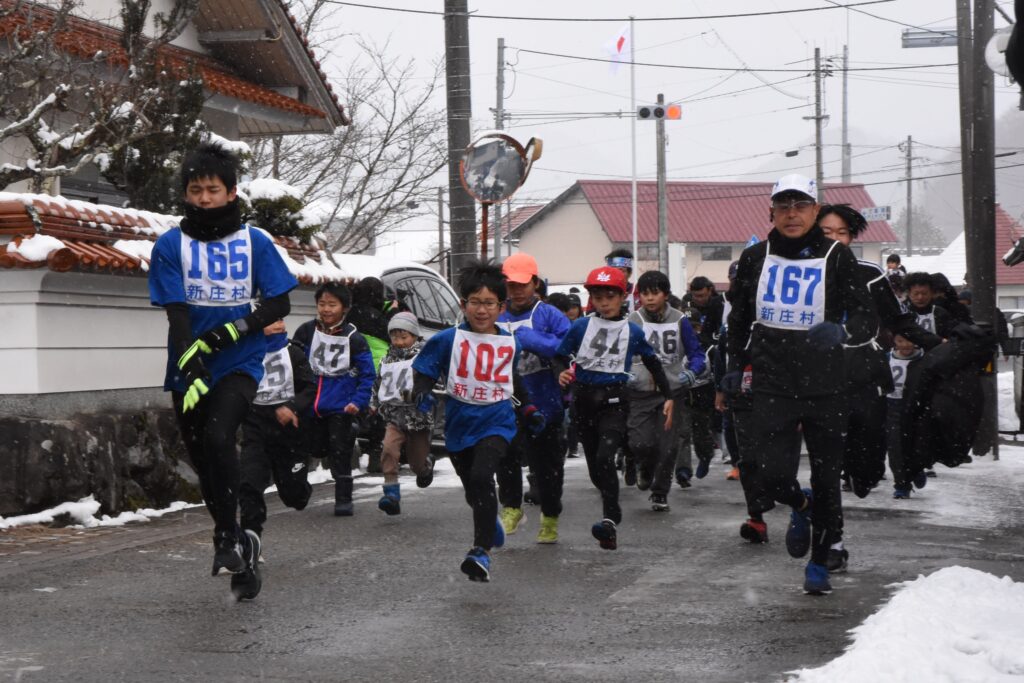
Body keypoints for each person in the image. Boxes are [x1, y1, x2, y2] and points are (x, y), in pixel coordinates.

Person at [148, 142, 297, 600]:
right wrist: (189, 360)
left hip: (239, 361)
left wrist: (232, 331)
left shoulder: (254, 242)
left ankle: (227, 539)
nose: (205, 199)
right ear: (186, 195)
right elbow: (176, 312)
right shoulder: (171, 244)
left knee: (219, 437)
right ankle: (236, 543)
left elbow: (279, 301)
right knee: (204, 460)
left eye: (213, 190)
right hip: (189, 365)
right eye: (196, 191)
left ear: (232, 193)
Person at [725, 174, 877, 596]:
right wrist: (735, 366)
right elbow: (738, 321)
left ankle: (819, 564)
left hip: (827, 384)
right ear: (771, 211)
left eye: (801, 205)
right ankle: (801, 504)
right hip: (773, 383)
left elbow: (867, 317)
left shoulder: (837, 257)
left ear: (815, 210)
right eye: (784, 205)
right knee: (769, 476)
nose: (792, 213)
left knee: (829, 478)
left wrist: (841, 331)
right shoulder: (756, 257)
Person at [817, 204, 940, 572]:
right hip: (820, 383)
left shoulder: (869, 274)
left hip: (866, 378)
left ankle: (863, 473)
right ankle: (832, 544)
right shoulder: (805, 275)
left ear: (852, 238)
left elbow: (899, 318)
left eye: (840, 233)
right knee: (824, 468)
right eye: (825, 233)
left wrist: (939, 344)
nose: (833, 240)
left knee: (868, 468)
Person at [411, 261, 523, 582]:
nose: (482, 310)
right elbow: (424, 369)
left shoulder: (510, 341)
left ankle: (480, 552)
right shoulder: (449, 339)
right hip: (460, 425)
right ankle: (490, 523)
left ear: (501, 307)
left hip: (497, 421)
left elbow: (518, 381)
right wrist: (421, 393)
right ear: (463, 304)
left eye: (489, 303)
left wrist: (529, 410)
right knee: (474, 488)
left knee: (482, 475)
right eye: (475, 302)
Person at [555, 266, 673, 550]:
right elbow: (559, 356)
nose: (604, 302)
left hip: (615, 402)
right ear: (591, 299)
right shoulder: (580, 327)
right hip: (584, 401)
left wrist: (668, 395)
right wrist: (561, 372)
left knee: (606, 457)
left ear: (623, 297)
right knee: (596, 468)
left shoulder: (632, 331)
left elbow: (652, 361)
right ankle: (611, 504)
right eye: (598, 296)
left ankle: (610, 520)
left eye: (610, 296)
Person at [496, 253, 571, 543]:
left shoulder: (548, 314)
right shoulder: (498, 314)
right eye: (511, 284)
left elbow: (568, 345)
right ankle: (512, 507)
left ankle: (550, 516)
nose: (516, 291)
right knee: (505, 456)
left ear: (535, 283)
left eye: (522, 284)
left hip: (545, 403)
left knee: (546, 468)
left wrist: (532, 339)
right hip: (506, 402)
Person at [293, 283, 377, 516]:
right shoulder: (306, 331)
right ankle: (298, 490)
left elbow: (367, 373)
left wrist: (358, 401)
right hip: (309, 403)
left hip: (341, 405)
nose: (326, 309)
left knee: (339, 451)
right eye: (322, 304)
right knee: (305, 447)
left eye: (332, 304)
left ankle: (343, 498)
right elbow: (292, 361)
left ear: (345, 308)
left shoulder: (354, 338)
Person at [627, 270, 705, 511]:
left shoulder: (680, 320)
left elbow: (696, 354)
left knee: (668, 445)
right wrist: (625, 372)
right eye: (644, 294)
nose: (649, 299)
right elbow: (622, 353)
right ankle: (645, 467)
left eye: (655, 293)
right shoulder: (633, 320)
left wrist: (692, 372)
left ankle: (660, 492)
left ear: (666, 294)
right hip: (640, 390)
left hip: (671, 391)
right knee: (641, 442)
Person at [239, 321, 316, 548]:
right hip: (256, 426)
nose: (279, 325)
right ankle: (251, 539)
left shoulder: (293, 352)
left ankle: (300, 487)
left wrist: (292, 407)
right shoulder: (245, 353)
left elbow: (309, 387)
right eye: (271, 320)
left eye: (281, 320)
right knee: (249, 483)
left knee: (295, 497)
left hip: (289, 430)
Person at [370, 311, 435, 515]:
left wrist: (425, 395)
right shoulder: (387, 359)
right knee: (388, 450)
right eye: (394, 337)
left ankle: (425, 466)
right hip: (394, 415)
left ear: (415, 336)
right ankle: (391, 494)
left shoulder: (423, 358)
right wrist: (373, 402)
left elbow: (435, 381)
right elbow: (379, 383)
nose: (398, 342)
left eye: (404, 337)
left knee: (416, 462)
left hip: (418, 418)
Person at [347, 277, 391, 474]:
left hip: (353, 367)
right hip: (377, 367)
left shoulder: (349, 314)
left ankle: (351, 451)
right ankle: (376, 454)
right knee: (377, 413)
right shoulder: (379, 317)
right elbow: (393, 335)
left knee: (354, 409)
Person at [673, 305, 718, 486]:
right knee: (682, 432)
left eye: (694, 327)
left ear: (700, 326)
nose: (691, 331)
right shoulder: (676, 346)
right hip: (682, 394)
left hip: (703, 395)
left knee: (701, 434)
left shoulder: (709, 348)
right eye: (687, 327)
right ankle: (683, 471)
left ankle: (705, 456)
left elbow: (718, 371)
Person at [885, 333, 928, 499]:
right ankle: (902, 484)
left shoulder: (924, 359)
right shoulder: (886, 358)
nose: (905, 345)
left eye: (909, 340)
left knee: (916, 445)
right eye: (900, 341)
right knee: (895, 448)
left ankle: (917, 470)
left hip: (916, 408)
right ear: (894, 341)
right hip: (892, 407)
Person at [904, 272, 953, 338]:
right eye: (916, 294)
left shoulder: (941, 314)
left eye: (924, 293)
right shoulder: (904, 315)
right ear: (909, 294)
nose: (920, 297)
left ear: (932, 293)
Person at [683, 276, 725, 350]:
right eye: (696, 296)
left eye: (702, 295)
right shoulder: (685, 307)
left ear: (710, 291)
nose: (699, 299)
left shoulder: (718, 306)